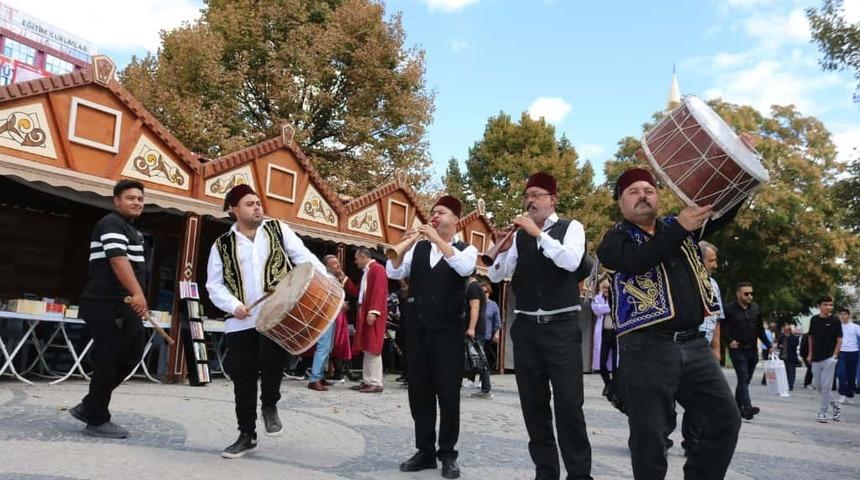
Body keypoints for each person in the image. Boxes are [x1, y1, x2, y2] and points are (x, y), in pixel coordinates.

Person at [597, 167, 741, 480]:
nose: (642, 196)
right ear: (621, 203)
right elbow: (635, 262)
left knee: (725, 418)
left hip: (694, 345)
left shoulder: (681, 227)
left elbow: (722, 208)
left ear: (659, 197)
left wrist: (738, 165)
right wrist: (680, 229)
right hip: (646, 348)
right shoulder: (615, 239)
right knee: (651, 437)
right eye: (633, 192)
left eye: (648, 190)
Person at [206, 184, 327, 458]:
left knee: (274, 360)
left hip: (277, 316)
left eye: (258, 202)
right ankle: (246, 434)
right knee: (243, 378)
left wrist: (325, 282)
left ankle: (270, 404)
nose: (257, 207)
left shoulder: (277, 229)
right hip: (240, 321)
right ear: (233, 210)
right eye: (249, 203)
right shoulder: (221, 245)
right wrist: (234, 306)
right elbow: (214, 285)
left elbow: (304, 258)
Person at [487, 172, 593, 480]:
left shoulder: (570, 227)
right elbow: (495, 277)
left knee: (569, 408)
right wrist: (501, 251)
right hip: (527, 331)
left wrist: (539, 234)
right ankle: (545, 473)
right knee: (534, 408)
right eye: (527, 195)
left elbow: (571, 262)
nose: (530, 200)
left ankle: (579, 475)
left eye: (537, 194)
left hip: (561, 328)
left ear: (552, 200)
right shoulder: (519, 236)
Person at [387, 195, 478, 479]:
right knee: (420, 394)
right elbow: (394, 270)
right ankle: (425, 451)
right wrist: (405, 245)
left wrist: (437, 241)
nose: (435, 216)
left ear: (455, 219)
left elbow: (464, 268)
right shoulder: (419, 248)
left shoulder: (467, 249)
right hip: (418, 331)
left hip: (449, 334)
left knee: (449, 395)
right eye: (433, 212)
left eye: (441, 212)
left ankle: (448, 454)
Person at [69, 179, 148, 439]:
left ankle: (90, 404)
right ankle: (97, 419)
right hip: (103, 302)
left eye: (140, 199)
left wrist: (137, 295)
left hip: (123, 304)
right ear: (117, 201)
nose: (136, 202)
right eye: (130, 198)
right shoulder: (111, 222)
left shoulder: (132, 229)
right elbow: (117, 259)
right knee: (109, 358)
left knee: (133, 352)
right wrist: (137, 293)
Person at [679, 240, 725, 454]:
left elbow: (717, 319)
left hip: (703, 347)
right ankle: (656, 438)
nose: (715, 264)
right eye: (711, 260)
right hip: (678, 345)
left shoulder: (713, 284)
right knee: (666, 398)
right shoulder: (680, 279)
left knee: (699, 399)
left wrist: (716, 350)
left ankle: (692, 442)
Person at [722, 282, 771, 420]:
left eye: (751, 293)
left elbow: (760, 329)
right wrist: (729, 341)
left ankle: (737, 409)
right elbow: (721, 327)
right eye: (746, 293)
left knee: (745, 380)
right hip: (737, 350)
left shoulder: (755, 308)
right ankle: (747, 407)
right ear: (738, 294)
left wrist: (769, 345)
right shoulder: (729, 309)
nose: (749, 296)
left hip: (752, 350)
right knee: (743, 377)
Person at [344, 247, 389, 393]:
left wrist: (374, 311)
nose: (356, 262)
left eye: (357, 258)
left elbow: (379, 291)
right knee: (367, 346)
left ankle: (376, 382)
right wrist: (344, 279)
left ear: (363, 256)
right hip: (366, 311)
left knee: (373, 346)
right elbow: (359, 292)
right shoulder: (369, 272)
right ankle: (367, 380)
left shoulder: (377, 269)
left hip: (372, 312)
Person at [305, 254, 344, 392]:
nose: (338, 265)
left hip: (330, 316)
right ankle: (314, 379)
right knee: (323, 347)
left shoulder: (333, 278)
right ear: (326, 266)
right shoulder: (325, 278)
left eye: (338, 262)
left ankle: (319, 375)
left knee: (327, 347)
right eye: (334, 263)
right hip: (324, 316)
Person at [807, 296, 843, 423]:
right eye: (825, 304)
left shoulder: (835, 321)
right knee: (818, 385)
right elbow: (811, 337)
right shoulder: (814, 320)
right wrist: (810, 354)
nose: (828, 307)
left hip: (829, 358)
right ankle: (836, 405)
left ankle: (822, 412)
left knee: (826, 386)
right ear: (819, 306)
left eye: (830, 305)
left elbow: (839, 339)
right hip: (816, 357)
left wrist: (834, 356)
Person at [465, 273, 492, 399]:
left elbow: (474, 309)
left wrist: (471, 328)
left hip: (475, 329)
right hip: (476, 328)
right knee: (477, 358)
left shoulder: (473, 288)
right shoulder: (474, 287)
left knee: (479, 359)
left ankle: (486, 389)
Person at [591, 276, 614, 397]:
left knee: (616, 364)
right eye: (603, 287)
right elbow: (596, 309)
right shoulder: (598, 298)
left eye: (607, 288)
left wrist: (607, 308)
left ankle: (614, 386)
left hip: (615, 336)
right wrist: (610, 308)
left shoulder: (615, 297)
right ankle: (607, 382)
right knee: (601, 364)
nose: (605, 290)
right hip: (603, 335)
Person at [835, 307, 858, 405]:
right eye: (841, 314)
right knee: (841, 374)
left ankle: (849, 395)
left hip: (853, 352)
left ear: (848, 315)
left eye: (845, 314)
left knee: (851, 376)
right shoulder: (837, 327)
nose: (843, 316)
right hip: (842, 352)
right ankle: (842, 394)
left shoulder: (855, 327)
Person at [480, 280, 502, 372]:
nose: (484, 294)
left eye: (485, 292)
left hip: (486, 335)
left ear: (489, 292)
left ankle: (483, 379)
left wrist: (496, 333)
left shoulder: (493, 305)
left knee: (484, 357)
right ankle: (471, 378)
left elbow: (498, 321)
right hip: (476, 334)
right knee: (474, 357)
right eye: (481, 292)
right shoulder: (477, 303)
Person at [778, 325, 801, 391]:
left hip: (791, 357)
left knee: (791, 372)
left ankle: (790, 385)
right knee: (784, 372)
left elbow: (794, 345)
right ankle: (784, 384)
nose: (786, 331)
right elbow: (778, 345)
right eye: (785, 330)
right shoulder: (782, 337)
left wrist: (787, 342)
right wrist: (780, 346)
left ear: (790, 330)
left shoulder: (794, 338)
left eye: (787, 330)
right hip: (783, 356)